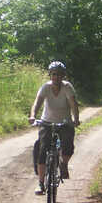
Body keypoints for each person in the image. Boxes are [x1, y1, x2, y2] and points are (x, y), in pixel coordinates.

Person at [28, 61, 80, 195]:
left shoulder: (67, 87)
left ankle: (63, 164)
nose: (56, 77)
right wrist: (33, 116)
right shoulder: (45, 87)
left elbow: (73, 104)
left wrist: (75, 119)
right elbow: (37, 103)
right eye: (54, 74)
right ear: (50, 75)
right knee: (41, 148)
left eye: (59, 75)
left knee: (68, 145)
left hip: (64, 122)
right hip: (47, 122)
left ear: (63, 76)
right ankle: (40, 183)